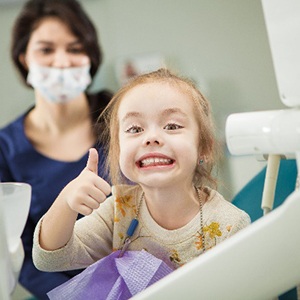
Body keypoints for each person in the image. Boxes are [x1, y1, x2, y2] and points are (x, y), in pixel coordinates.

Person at [32, 68, 250, 293]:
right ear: (118, 152)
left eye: (172, 126)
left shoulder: (230, 225)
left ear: (204, 147)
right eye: (135, 129)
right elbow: (49, 259)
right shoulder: (119, 211)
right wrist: (67, 201)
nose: (151, 138)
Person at [0, 0, 112, 298]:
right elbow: (17, 251)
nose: (61, 62)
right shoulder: (5, 149)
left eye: (75, 49)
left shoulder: (123, 120)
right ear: (24, 58)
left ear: (90, 55)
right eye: (46, 50)